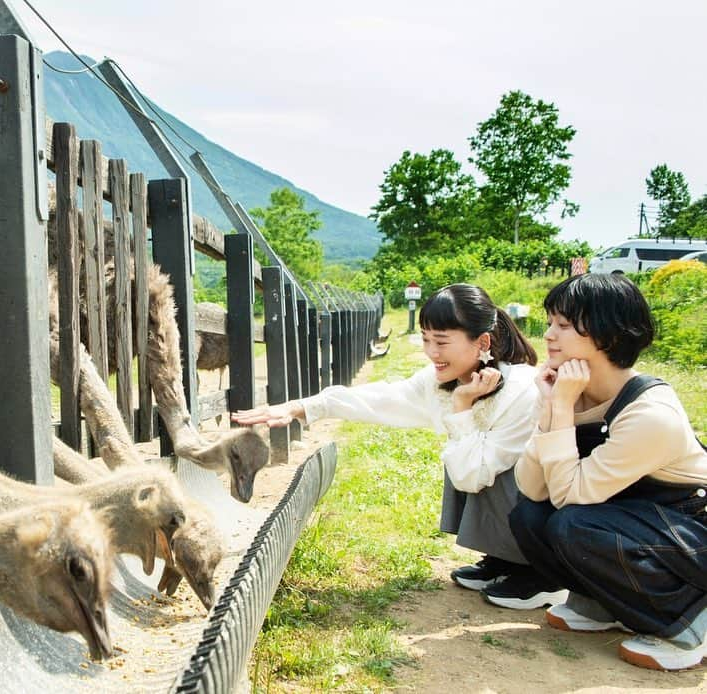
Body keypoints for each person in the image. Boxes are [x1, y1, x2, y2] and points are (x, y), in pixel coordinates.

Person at [233, 283, 564, 608]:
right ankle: (504, 559)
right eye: (426, 340)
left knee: (468, 456)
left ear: (482, 342)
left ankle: (540, 574)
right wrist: (303, 407)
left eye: (442, 342)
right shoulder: (443, 381)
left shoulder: (520, 390)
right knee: (464, 450)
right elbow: (383, 398)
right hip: (499, 485)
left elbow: (471, 476)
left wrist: (463, 408)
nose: (432, 353)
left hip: (545, 511)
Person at [508, 273, 707, 671]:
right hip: (629, 516)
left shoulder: (651, 415)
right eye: (550, 322)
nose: (549, 335)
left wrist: (561, 410)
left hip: (688, 532)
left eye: (564, 325)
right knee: (529, 516)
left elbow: (568, 497)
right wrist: (552, 410)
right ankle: (602, 602)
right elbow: (531, 487)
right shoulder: (567, 393)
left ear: (610, 337)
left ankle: (691, 619)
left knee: (573, 524)